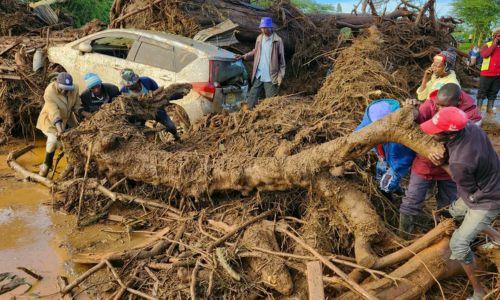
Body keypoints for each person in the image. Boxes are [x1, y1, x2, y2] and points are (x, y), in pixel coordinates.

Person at [421, 107, 500, 300]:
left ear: (449, 133)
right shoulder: (471, 127)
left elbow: (464, 184)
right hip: (492, 180)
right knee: (457, 213)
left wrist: (442, 163)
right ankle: (498, 239)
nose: (432, 132)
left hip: (486, 198)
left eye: (436, 130)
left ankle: (479, 292)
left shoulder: (459, 162)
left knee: (458, 243)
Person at [399, 83, 482, 238]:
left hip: (452, 165)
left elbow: (468, 147)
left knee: (447, 205)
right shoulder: (433, 102)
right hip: (425, 160)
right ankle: (403, 237)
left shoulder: (471, 115)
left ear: (457, 104)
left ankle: (441, 236)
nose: (438, 109)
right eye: (437, 105)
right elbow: (419, 118)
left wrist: (445, 157)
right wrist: (411, 110)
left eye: (443, 106)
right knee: (412, 200)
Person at [355, 99, 415, 194]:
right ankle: (388, 188)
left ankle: (397, 192)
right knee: (379, 173)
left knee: (386, 185)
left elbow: (402, 160)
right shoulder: (371, 116)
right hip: (382, 157)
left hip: (396, 163)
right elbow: (359, 132)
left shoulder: (398, 141)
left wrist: (395, 170)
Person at [36, 72, 82, 177]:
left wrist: (84, 114)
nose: (65, 91)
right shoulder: (49, 92)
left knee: (74, 142)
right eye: (62, 88)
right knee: (53, 141)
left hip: (66, 120)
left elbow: (77, 105)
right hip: (50, 121)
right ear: (57, 83)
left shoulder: (74, 89)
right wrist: (60, 130)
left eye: (67, 89)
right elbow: (54, 113)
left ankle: (72, 167)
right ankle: (46, 165)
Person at [236, 17, 285, 109]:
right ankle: (247, 117)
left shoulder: (278, 41)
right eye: (262, 28)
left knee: (271, 104)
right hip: (259, 74)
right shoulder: (259, 38)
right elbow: (255, 51)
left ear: (271, 28)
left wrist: (280, 76)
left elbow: (282, 61)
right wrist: (243, 56)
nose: (263, 30)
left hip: (271, 77)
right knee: (251, 100)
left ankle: (269, 121)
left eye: (266, 28)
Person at [120, 69, 180, 141]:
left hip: (155, 108)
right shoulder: (124, 91)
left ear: (138, 81)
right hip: (139, 113)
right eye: (129, 86)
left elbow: (158, 94)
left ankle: (176, 136)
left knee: (170, 125)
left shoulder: (147, 81)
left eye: (133, 85)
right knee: (139, 132)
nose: (132, 87)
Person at [477, 28, 500, 114]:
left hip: (498, 74)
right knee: (482, 92)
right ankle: (478, 109)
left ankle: (489, 108)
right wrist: (494, 44)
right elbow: (485, 55)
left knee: (494, 92)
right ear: (494, 36)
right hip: (486, 73)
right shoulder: (487, 45)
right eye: (499, 36)